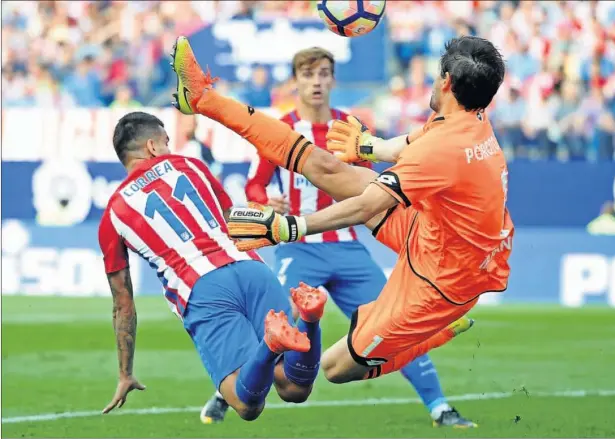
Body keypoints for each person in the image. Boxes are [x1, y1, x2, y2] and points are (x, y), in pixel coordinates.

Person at [170, 34, 511, 394]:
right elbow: (410, 144)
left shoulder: (444, 148)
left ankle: (432, 335)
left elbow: (368, 206)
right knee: (329, 168)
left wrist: (291, 227)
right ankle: (203, 99)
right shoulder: (467, 116)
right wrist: (369, 146)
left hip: (441, 282)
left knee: (334, 368)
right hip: (438, 234)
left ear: (446, 81)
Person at [98, 111, 329, 421]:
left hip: (202, 288)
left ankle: (270, 344)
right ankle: (310, 321)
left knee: (247, 404)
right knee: (295, 387)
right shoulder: (191, 165)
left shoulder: (113, 212)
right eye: (167, 142)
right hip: (251, 268)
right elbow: (233, 219)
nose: (170, 147)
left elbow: (122, 304)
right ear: (152, 146)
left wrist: (125, 372)